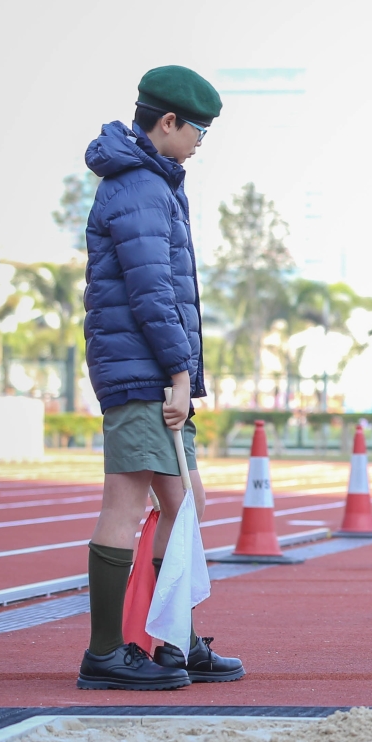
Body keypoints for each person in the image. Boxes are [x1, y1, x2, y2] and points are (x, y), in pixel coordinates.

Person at [77, 66, 244, 691]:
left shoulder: (152, 181)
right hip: (141, 371)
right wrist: (178, 374)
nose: (201, 142)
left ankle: (174, 641)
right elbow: (152, 291)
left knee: (184, 502)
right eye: (199, 129)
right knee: (125, 504)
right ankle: (105, 654)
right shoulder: (140, 185)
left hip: (151, 369)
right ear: (168, 122)